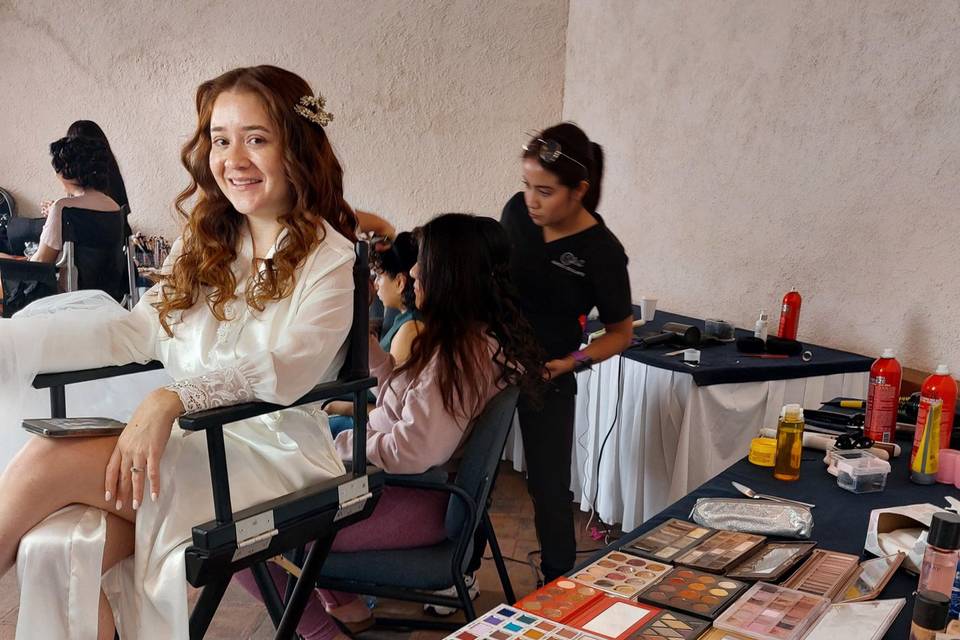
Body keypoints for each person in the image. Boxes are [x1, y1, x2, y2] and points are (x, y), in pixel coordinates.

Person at [0, 64, 359, 639]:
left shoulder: (331, 259)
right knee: (58, 545)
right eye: (221, 139)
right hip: (197, 443)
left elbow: (287, 368)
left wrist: (172, 397)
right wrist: (15, 340)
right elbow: (137, 331)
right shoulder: (205, 237)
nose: (233, 159)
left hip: (273, 451)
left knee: (48, 458)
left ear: (299, 146)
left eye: (257, 138)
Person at [234, 213, 543, 640]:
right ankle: (349, 609)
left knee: (244, 539)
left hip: (422, 501)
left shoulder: (463, 356)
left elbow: (416, 450)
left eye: (425, 261)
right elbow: (406, 405)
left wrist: (335, 448)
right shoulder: (469, 342)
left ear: (452, 272)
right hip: (425, 495)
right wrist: (367, 347)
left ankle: (326, 632)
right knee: (281, 503)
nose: (413, 271)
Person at [498, 122, 633, 582]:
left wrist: (570, 363)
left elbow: (620, 334)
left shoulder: (603, 253)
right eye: (527, 186)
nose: (531, 200)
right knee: (468, 474)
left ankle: (556, 582)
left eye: (545, 191)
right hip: (489, 363)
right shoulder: (517, 214)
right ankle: (461, 569)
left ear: (579, 190)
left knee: (550, 488)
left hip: (548, 374)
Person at [325, 231, 422, 435]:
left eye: (379, 276)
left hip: (369, 425)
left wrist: (336, 406)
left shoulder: (409, 331)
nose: (376, 283)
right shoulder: (402, 321)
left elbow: (393, 411)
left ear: (400, 282)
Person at [30, 136, 122, 265]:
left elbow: (41, 261)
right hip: (110, 285)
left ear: (64, 170)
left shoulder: (62, 207)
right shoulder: (114, 206)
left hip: (70, 285)